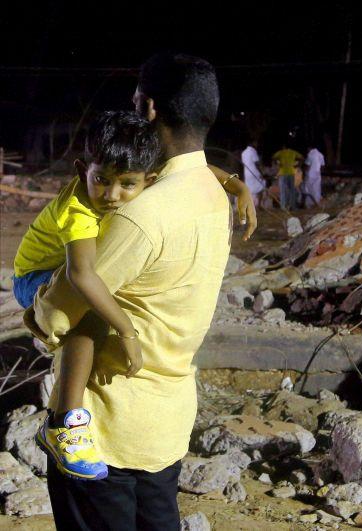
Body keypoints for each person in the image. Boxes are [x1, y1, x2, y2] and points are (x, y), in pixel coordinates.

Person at [27, 52, 256, 530]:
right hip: (165, 423)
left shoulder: (140, 214)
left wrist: (39, 311)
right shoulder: (213, 194)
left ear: (148, 107)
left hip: (108, 428)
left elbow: (58, 314)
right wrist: (235, 181)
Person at [14, 111, 159, 480]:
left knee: (102, 300)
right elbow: (80, 275)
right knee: (89, 312)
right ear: (83, 171)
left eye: (127, 184)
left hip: (65, 268)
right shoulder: (78, 209)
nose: (112, 195)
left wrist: (231, 181)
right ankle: (65, 425)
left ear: (150, 180)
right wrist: (127, 331)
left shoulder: (140, 185)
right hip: (34, 276)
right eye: (101, 180)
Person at [272, 143, 303, 210]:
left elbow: (273, 158)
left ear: (284, 146)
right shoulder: (293, 152)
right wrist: (297, 165)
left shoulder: (281, 152)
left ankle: (283, 207)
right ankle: (293, 206)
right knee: (292, 190)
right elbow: (301, 158)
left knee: (283, 191)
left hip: (282, 173)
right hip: (291, 172)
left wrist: (278, 163)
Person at [240, 139, 266, 207]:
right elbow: (257, 164)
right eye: (256, 143)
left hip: (247, 173)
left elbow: (244, 165)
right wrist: (262, 173)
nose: (257, 144)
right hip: (254, 173)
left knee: (249, 190)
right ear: (253, 143)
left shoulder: (243, 153)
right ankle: (259, 205)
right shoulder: (253, 151)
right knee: (262, 186)